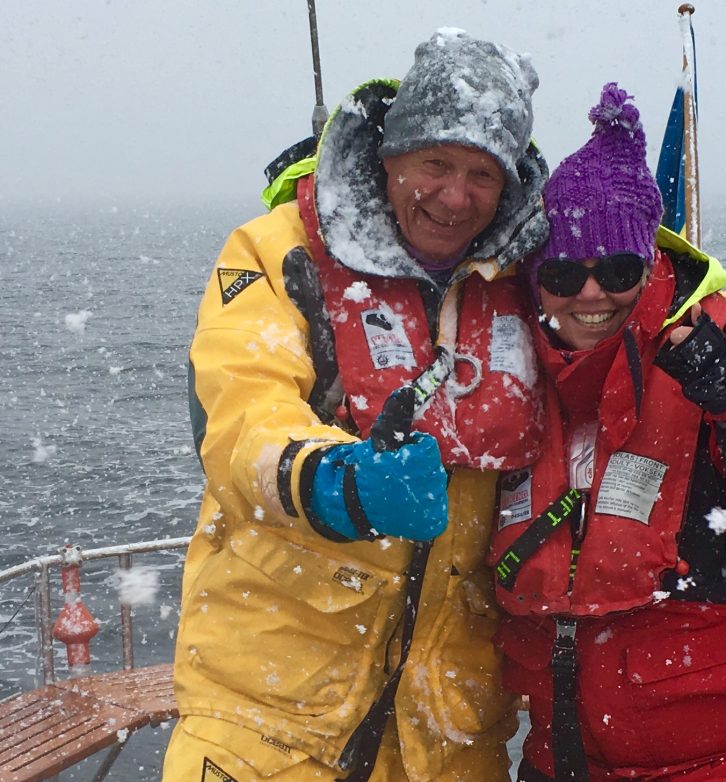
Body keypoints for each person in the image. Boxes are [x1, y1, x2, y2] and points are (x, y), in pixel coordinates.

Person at [163, 29, 550, 782]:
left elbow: (641, 284)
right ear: (387, 156)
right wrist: (338, 483)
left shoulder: (534, 277)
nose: (455, 195)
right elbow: (240, 419)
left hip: (450, 735)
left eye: (482, 174)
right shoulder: (278, 254)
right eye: (435, 163)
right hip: (267, 720)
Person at [488, 83, 726, 782]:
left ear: (651, 265)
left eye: (617, 269)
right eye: (563, 272)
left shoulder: (719, 355)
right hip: (569, 760)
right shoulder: (502, 377)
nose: (590, 294)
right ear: (531, 277)